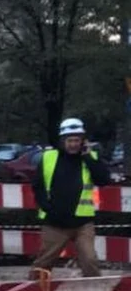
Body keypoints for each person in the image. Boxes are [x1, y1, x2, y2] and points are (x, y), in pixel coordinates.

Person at [30, 118, 112, 278]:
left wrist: (88, 158)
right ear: (62, 141)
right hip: (55, 222)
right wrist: (47, 208)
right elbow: (37, 187)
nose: (73, 144)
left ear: (83, 141)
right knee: (44, 262)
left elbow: (103, 180)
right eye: (70, 140)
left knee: (90, 260)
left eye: (77, 140)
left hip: (82, 223)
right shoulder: (48, 157)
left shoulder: (90, 157)